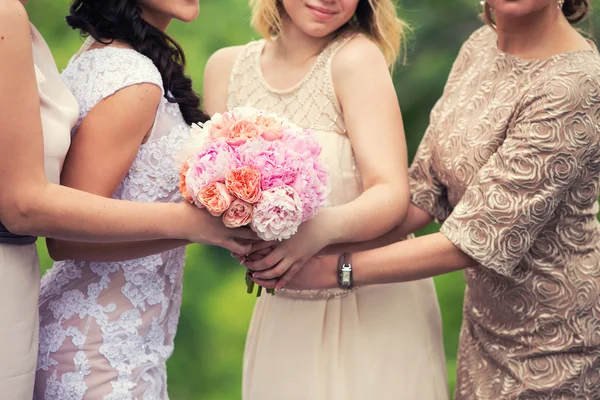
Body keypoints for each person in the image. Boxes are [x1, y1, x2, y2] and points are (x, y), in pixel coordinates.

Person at [253, 0, 600, 398]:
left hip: (554, 342)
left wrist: (332, 271)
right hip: (484, 328)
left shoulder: (574, 82)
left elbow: (477, 239)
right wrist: (302, 243)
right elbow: (427, 187)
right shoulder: (482, 45)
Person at [0, 1, 253, 398]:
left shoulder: (106, 57)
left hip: (125, 342)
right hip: (98, 349)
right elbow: (66, 241)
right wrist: (203, 228)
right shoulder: (134, 81)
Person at [204, 0, 448, 398]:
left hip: (371, 307)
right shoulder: (224, 68)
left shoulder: (355, 59)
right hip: (284, 306)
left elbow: (391, 193)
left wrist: (312, 234)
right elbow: (210, 188)